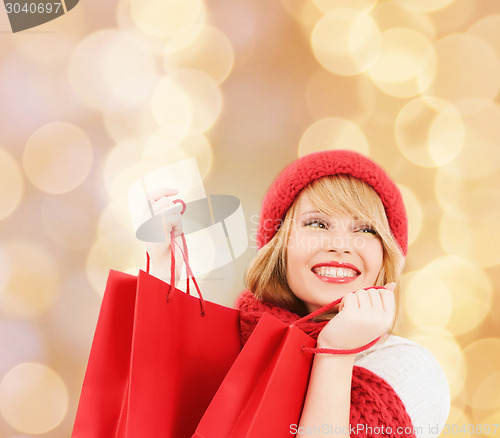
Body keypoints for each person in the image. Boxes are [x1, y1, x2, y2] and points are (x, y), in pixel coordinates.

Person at [146, 150, 450, 438]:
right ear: (282, 246)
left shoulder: (408, 369)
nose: (341, 245)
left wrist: (335, 351)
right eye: (317, 223)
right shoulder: (230, 344)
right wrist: (162, 275)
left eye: (365, 230)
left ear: (386, 255)